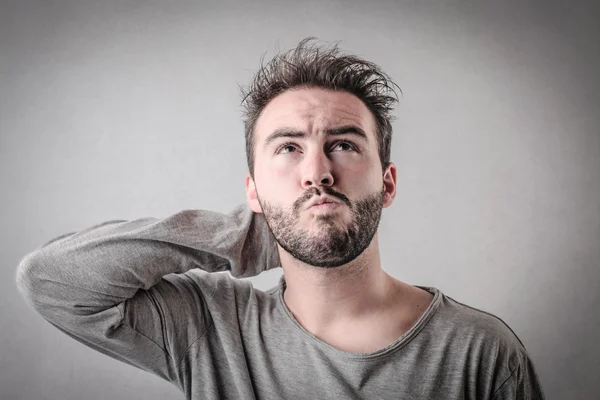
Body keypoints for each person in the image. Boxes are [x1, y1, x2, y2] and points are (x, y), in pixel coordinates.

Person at [16, 38, 545, 399]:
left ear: (387, 184)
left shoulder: (482, 352)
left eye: (342, 144)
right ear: (252, 191)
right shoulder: (211, 329)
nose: (317, 172)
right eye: (288, 148)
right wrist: (246, 238)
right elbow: (50, 280)